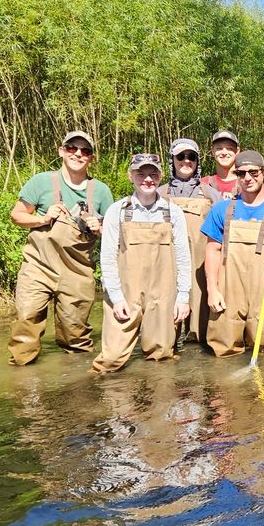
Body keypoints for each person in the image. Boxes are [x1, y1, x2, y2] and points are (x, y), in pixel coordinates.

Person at [8, 130, 114, 365]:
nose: (78, 154)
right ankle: (25, 387)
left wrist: (100, 227)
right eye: (72, 148)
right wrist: (42, 220)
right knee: (26, 321)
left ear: (91, 158)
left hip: (77, 272)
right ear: (61, 151)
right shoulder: (41, 181)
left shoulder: (101, 191)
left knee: (75, 335)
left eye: (85, 151)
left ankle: (77, 390)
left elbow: (115, 233)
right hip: (38, 268)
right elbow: (16, 216)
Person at [90, 154, 191, 373]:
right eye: (141, 174)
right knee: (109, 361)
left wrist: (183, 297)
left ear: (160, 176)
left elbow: (184, 256)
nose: (147, 179)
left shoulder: (173, 212)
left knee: (161, 358)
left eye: (153, 173)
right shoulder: (116, 211)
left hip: (162, 296)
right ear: (131, 176)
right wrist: (116, 298)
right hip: (125, 295)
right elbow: (107, 257)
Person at [201, 150, 264, 356]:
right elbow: (212, 250)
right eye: (241, 173)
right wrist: (212, 290)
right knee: (224, 351)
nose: (247, 178)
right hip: (228, 292)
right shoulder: (222, 210)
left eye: (253, 172)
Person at [159, 137, 213, 344]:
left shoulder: (210, 193)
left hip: (199, 265)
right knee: (166, 323)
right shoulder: (158, 193)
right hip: (167, 264)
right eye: (180, 156)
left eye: (191, 156)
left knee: (199, 327)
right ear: (172, 159)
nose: (186, 161)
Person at [200, 130, 241, 200]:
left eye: (229, 148)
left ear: (237, 151)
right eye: (219, 148)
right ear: (212, 151)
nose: (224, 152)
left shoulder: (248, 183)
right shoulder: (203, 184)